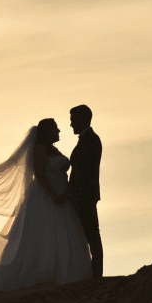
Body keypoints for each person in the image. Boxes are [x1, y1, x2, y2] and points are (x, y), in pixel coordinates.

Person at [0, 118, 92, 290]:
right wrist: (53, 194)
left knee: (61, 234)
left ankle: (60, 272)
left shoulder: (53, 150)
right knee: (44, 233)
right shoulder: (40, 150)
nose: (58, 132)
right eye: (55, 129)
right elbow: (41, 175)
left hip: (61, 196)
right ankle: (42, 273)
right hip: (45, 196)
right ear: (48, 132)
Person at [64, 105, 104, 278]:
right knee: (85, 236)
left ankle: (96, 275)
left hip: (85, 197)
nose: (71, 124)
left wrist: (75, 194)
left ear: (82, 119)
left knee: (92, 235)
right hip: (80, 197)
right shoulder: (86, 140)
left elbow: (85, 172)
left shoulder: (91, 140)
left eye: (73, 120)